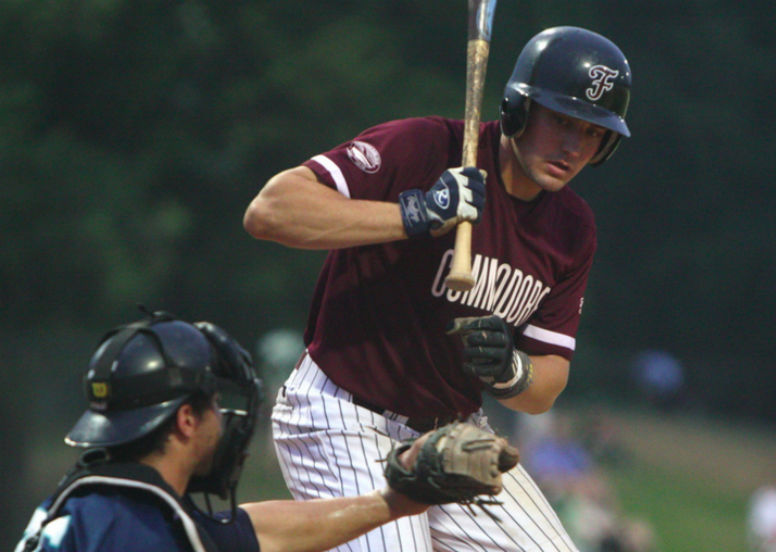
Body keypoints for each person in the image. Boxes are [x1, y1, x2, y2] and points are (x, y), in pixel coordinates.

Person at [243, 25, 631, 551]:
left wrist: (511, 371)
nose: (573, 146)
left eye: (591, 132)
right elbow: (271, 211)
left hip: (452, 433)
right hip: (342, 414)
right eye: (561, 121)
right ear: (518, 108)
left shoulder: (571, 227)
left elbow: (548, 383)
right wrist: (417, 212)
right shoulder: (428, 147)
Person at [15, 311, 509, 552]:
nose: (222, 419)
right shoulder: (135, 532)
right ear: (185, 420)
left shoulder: (99, 507)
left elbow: (257, 532)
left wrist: (396, 502)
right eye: (212, 404)